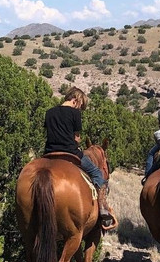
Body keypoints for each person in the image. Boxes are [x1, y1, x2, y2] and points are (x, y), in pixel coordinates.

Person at [43, 87, 116, 231]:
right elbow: (76, 138)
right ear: (76, 100)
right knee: (97, 174)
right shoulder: (75, 113)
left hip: (49, 153)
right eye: (81, 105)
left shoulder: (49, 112)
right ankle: (102, 209)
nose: (80, 109)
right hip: (70, 153)